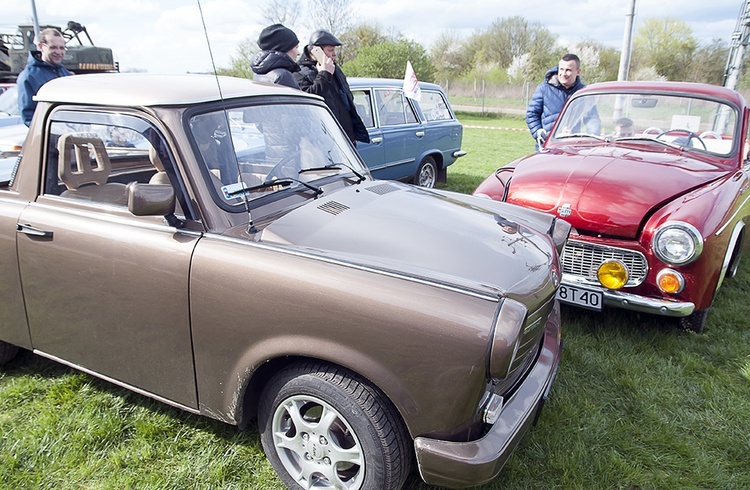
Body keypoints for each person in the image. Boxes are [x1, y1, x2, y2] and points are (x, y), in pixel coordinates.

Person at [295, 30, 370, 146]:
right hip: (324, 141)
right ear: (316, 50)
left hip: (346, 138)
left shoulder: (335, 68)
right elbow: (308, 101)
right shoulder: (299, 73)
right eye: (330, 50)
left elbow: (347, 102)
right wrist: (324, 74)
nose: (334, 54)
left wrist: (353, 133)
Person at [526, 53, 586, 150]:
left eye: (568, 70)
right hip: (548, 148)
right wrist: (539, 134)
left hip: (573, 149)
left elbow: (592, 118)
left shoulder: (583, 92)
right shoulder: (544, 89)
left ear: (578, 71)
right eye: (561, 69)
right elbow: (531, 114)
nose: (563, 73)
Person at [17, 27, 73, 126]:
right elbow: (29, 117)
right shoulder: (29, 77)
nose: (59, 52)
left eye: (62, 48)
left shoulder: (66, 74)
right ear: (41, 47)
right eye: (53, 47)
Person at [251, 24, 302, 89]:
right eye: (296, 48)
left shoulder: (258, 73)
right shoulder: (283, 76)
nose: (298, 53)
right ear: (285, 48)